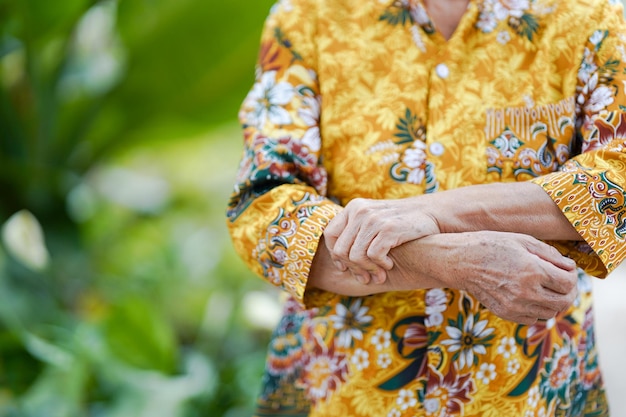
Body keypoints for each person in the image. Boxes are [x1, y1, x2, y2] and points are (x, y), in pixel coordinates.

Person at [226, 0, 626, 415]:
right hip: (343, 390)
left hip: (532, 392)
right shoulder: (308, 16)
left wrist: (434, 212)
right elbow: (262, 209)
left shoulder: (586, 13)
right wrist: (451, 261)